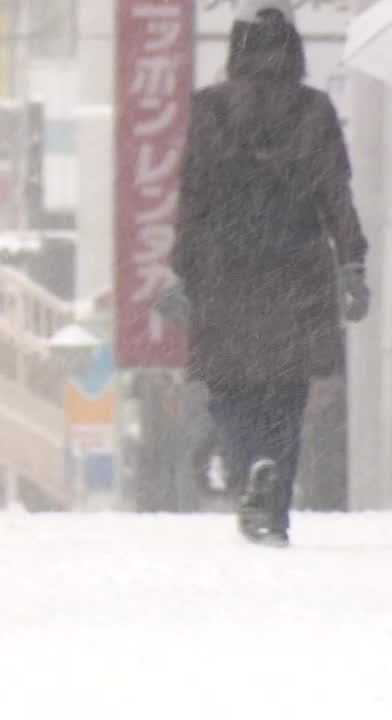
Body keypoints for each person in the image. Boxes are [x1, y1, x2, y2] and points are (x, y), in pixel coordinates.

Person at [166, 1, 370, 546]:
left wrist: (180, 270)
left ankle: (250, 469)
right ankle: (274, 503)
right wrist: (352, 260)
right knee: (286, 390)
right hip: (297, 270)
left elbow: (193, 197)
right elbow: (335, 193)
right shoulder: (314, 110)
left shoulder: (208, 109)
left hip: (222, 272)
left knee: (230, 389)